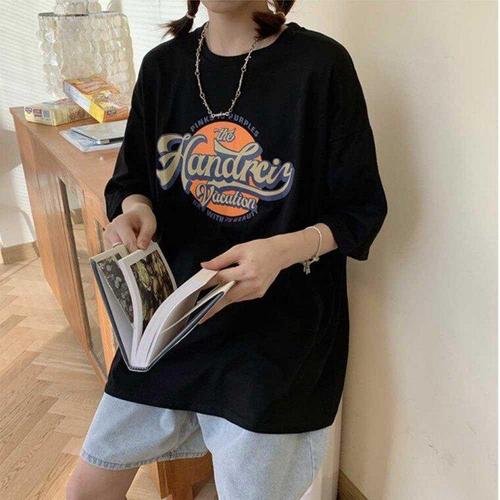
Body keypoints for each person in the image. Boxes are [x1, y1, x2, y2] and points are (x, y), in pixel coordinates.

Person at [67, 0, 387, 498]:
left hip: (277, 336)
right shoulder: (163, 67)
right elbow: (130, 180)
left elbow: (360, 210)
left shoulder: (320, 66)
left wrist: (282, 251)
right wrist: (134, 209)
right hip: (170, 326)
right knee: (86, 489)